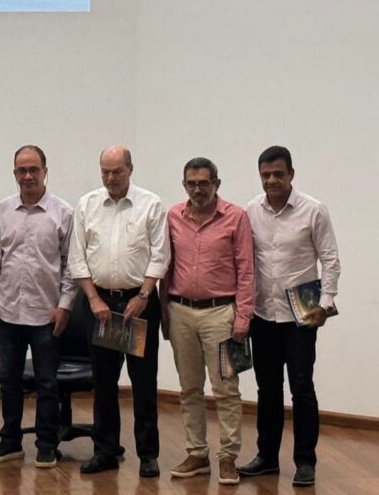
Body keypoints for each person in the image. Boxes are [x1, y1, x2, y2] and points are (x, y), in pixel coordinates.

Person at [237, 146, 341, 488]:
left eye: (278, 174)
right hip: (263, 315)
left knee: (301, 389)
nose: (271, 180)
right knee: (267, 390)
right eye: (265, 174)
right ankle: (266, 457)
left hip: (302, 316)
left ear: (291, 174)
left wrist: (325, 305)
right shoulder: (252, 210)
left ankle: (305, 461)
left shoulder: (314, 210)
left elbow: (330, 260)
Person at [68, 145, 169, 478]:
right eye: (105, 172)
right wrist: (94, 300)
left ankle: (148, 455)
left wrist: (143, 294)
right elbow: (77, 257)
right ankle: (105, 451)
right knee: (104, 382)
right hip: (100, 306)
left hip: (137, 305)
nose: (111, 178)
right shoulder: (87, 204)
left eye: (117, 172)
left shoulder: (150, 204)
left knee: (143, 383)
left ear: (130, 169)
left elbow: (160, 255)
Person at [0, 145, 76, 468]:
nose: (28, 176)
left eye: (34, 169)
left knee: (47, 383)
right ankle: (10, 441)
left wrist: (64, 305)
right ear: (14, 174)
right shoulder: (1, 211)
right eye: (22, 170)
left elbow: (70, 266)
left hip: (46, 313)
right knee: (8, 379)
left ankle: (47, 444)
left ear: (45, 171)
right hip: (8, 311)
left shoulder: (63, 213)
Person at [161, 157, 254, 485]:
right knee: (189, 388)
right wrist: (163, 313)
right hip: (181, 311)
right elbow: (166, 266)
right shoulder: (173, 216)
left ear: (217, 183)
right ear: (184, 184)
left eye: (204, 183)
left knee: (226, 389)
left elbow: (246, 270)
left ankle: (228, 457)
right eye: (191, 183)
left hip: (222, 314)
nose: (197, 189)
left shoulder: (235, 217)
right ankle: (197, 453)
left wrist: (243, 317)